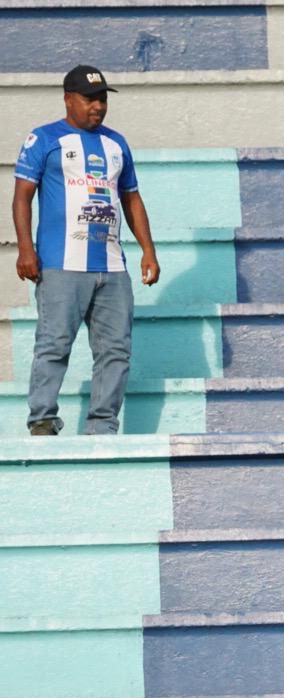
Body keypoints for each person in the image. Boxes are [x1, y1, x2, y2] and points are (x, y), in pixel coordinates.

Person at [13, 65, 159, 437]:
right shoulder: (44, 139)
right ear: (68, 99)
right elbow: (22, 197)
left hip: (111, 266)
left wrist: (148, 250)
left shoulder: (116, 143)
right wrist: (26, 249)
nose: (98, 106)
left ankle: (102, 426)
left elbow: (132, 197)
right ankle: (42, 420)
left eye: (103, 99)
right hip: (61, 263)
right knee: (54, 344)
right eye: (90, 99)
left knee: (116, 351)